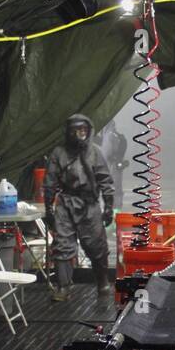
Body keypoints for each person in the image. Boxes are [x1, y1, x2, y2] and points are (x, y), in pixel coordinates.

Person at [44, 113, 114, 300]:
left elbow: (105, 180)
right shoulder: (59, 153)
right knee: (62, 246)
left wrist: (108, 206)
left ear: (88, 131)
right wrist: (48, 208)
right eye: (76, 130)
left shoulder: (95, 152)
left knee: (96, 245)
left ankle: (102, 282)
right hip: (66, 203)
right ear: (68, 132)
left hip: (89, 205)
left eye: (83, 130)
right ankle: (63, 287)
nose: (80, 134)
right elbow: (49, 182)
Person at [99, 119, 129, 210]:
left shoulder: (109, 136)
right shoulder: (118, 136)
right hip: (116, 166)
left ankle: (110, 213)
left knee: (110, 190)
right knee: (117, 190)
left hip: (111, 167)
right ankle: (116, 211)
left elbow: (106, 153)